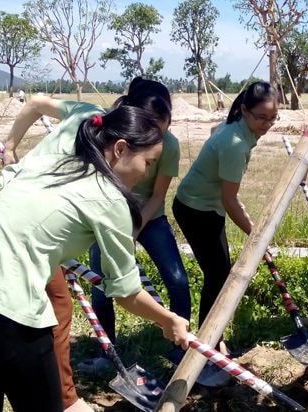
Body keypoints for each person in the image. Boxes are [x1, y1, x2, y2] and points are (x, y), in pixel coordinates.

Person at [0, 78, 184, 411]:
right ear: (120, 149)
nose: (146, 174)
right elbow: (127, 293)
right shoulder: (109, 199)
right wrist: (169, 321)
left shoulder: (55, 161)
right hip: (12, 311)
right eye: (147, 162)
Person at [81, 81, 192, 374]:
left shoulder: (170, 146)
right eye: (152, 128)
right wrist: (117, 230)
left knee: (178, 280)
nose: (159, 137)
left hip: (150, 218)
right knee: (101, 285)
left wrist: (134, 229)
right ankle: (108, 354)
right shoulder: (113, 139)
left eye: (164, 129)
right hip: (107, 217)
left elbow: (157, 196)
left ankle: (180, 348)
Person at [172, 81, 278, 353]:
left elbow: (215, 132)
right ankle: (209, 343)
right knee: (218, 274)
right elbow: (230, 200)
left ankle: (211, 338)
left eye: (272, 118)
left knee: (218, 273)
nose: (267, 125)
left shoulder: (236, 131)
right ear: (244, 110)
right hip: (196, 209)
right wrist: (257, 235)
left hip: (208, 206)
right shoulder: (234, 143)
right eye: (261, 117)